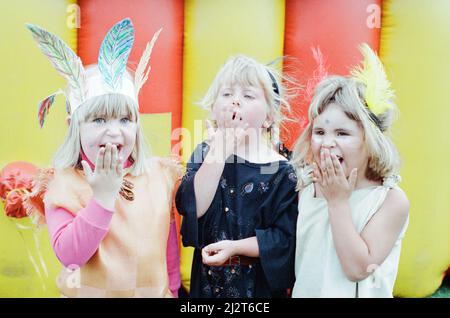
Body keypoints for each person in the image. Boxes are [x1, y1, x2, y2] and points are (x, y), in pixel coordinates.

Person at [25, 18, 181, 297]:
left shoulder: (158, 175)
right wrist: (102, 198)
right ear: (75, 125)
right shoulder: (63, 184)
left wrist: (174, 288)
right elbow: (71, 256)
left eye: (124, 119)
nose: (114, 130)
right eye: (98, 120)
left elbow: (166, 244)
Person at [291, 44, 409, 297]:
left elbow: (358, 269)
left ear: (370, 142)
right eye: (320, 132)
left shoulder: (389, 200)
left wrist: (337, 202)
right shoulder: (307, 187)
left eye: (342, 133)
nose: (327, 142)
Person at [176, 55, 299, 298]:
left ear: (268, 118)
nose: (235, 101)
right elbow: (191, 207)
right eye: (227, 94)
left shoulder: (283, 171)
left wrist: (235, 248)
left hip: (256, 289)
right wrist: (219, 152)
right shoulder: (205, 153)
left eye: (248, 95)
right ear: (213, 108)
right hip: (207, 287)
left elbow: (284, 239)